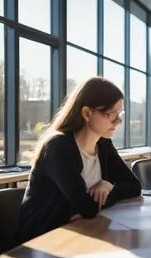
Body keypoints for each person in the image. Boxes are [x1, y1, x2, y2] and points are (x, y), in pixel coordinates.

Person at [16, 77, 142, 243]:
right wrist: (105, 198)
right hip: (42, 240)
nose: (118, 121)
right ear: (87, 113)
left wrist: (108, 186)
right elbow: (87, 208)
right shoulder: (58, 147)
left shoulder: (103, 144)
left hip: (80, 231)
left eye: (120, 114)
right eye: (111, 114)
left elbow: (134, 186)